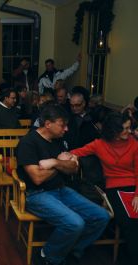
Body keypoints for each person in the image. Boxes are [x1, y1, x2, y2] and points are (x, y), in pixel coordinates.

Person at [16, 104, 110, 265]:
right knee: (75, 223)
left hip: (61, 189)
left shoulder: (59, 140)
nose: (66, 129)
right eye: (62, 125)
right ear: (48, 124)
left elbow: (74, 168)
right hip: (37, 194)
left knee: (102, 216)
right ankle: (48, 256)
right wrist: (61, 163)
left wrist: (53, 162)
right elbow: (38, 178)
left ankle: (71, 249)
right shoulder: (28, 143)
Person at [70, 112, 138, 265]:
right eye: (125, 129)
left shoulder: (134, 143)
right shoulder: (99, 144)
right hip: (114, 186)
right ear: (113, 131)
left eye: (130, 128)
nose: (130, 131)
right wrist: (72, 157)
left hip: (135, 186)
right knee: (129, 222)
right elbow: (76, 152)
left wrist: (137, 195)